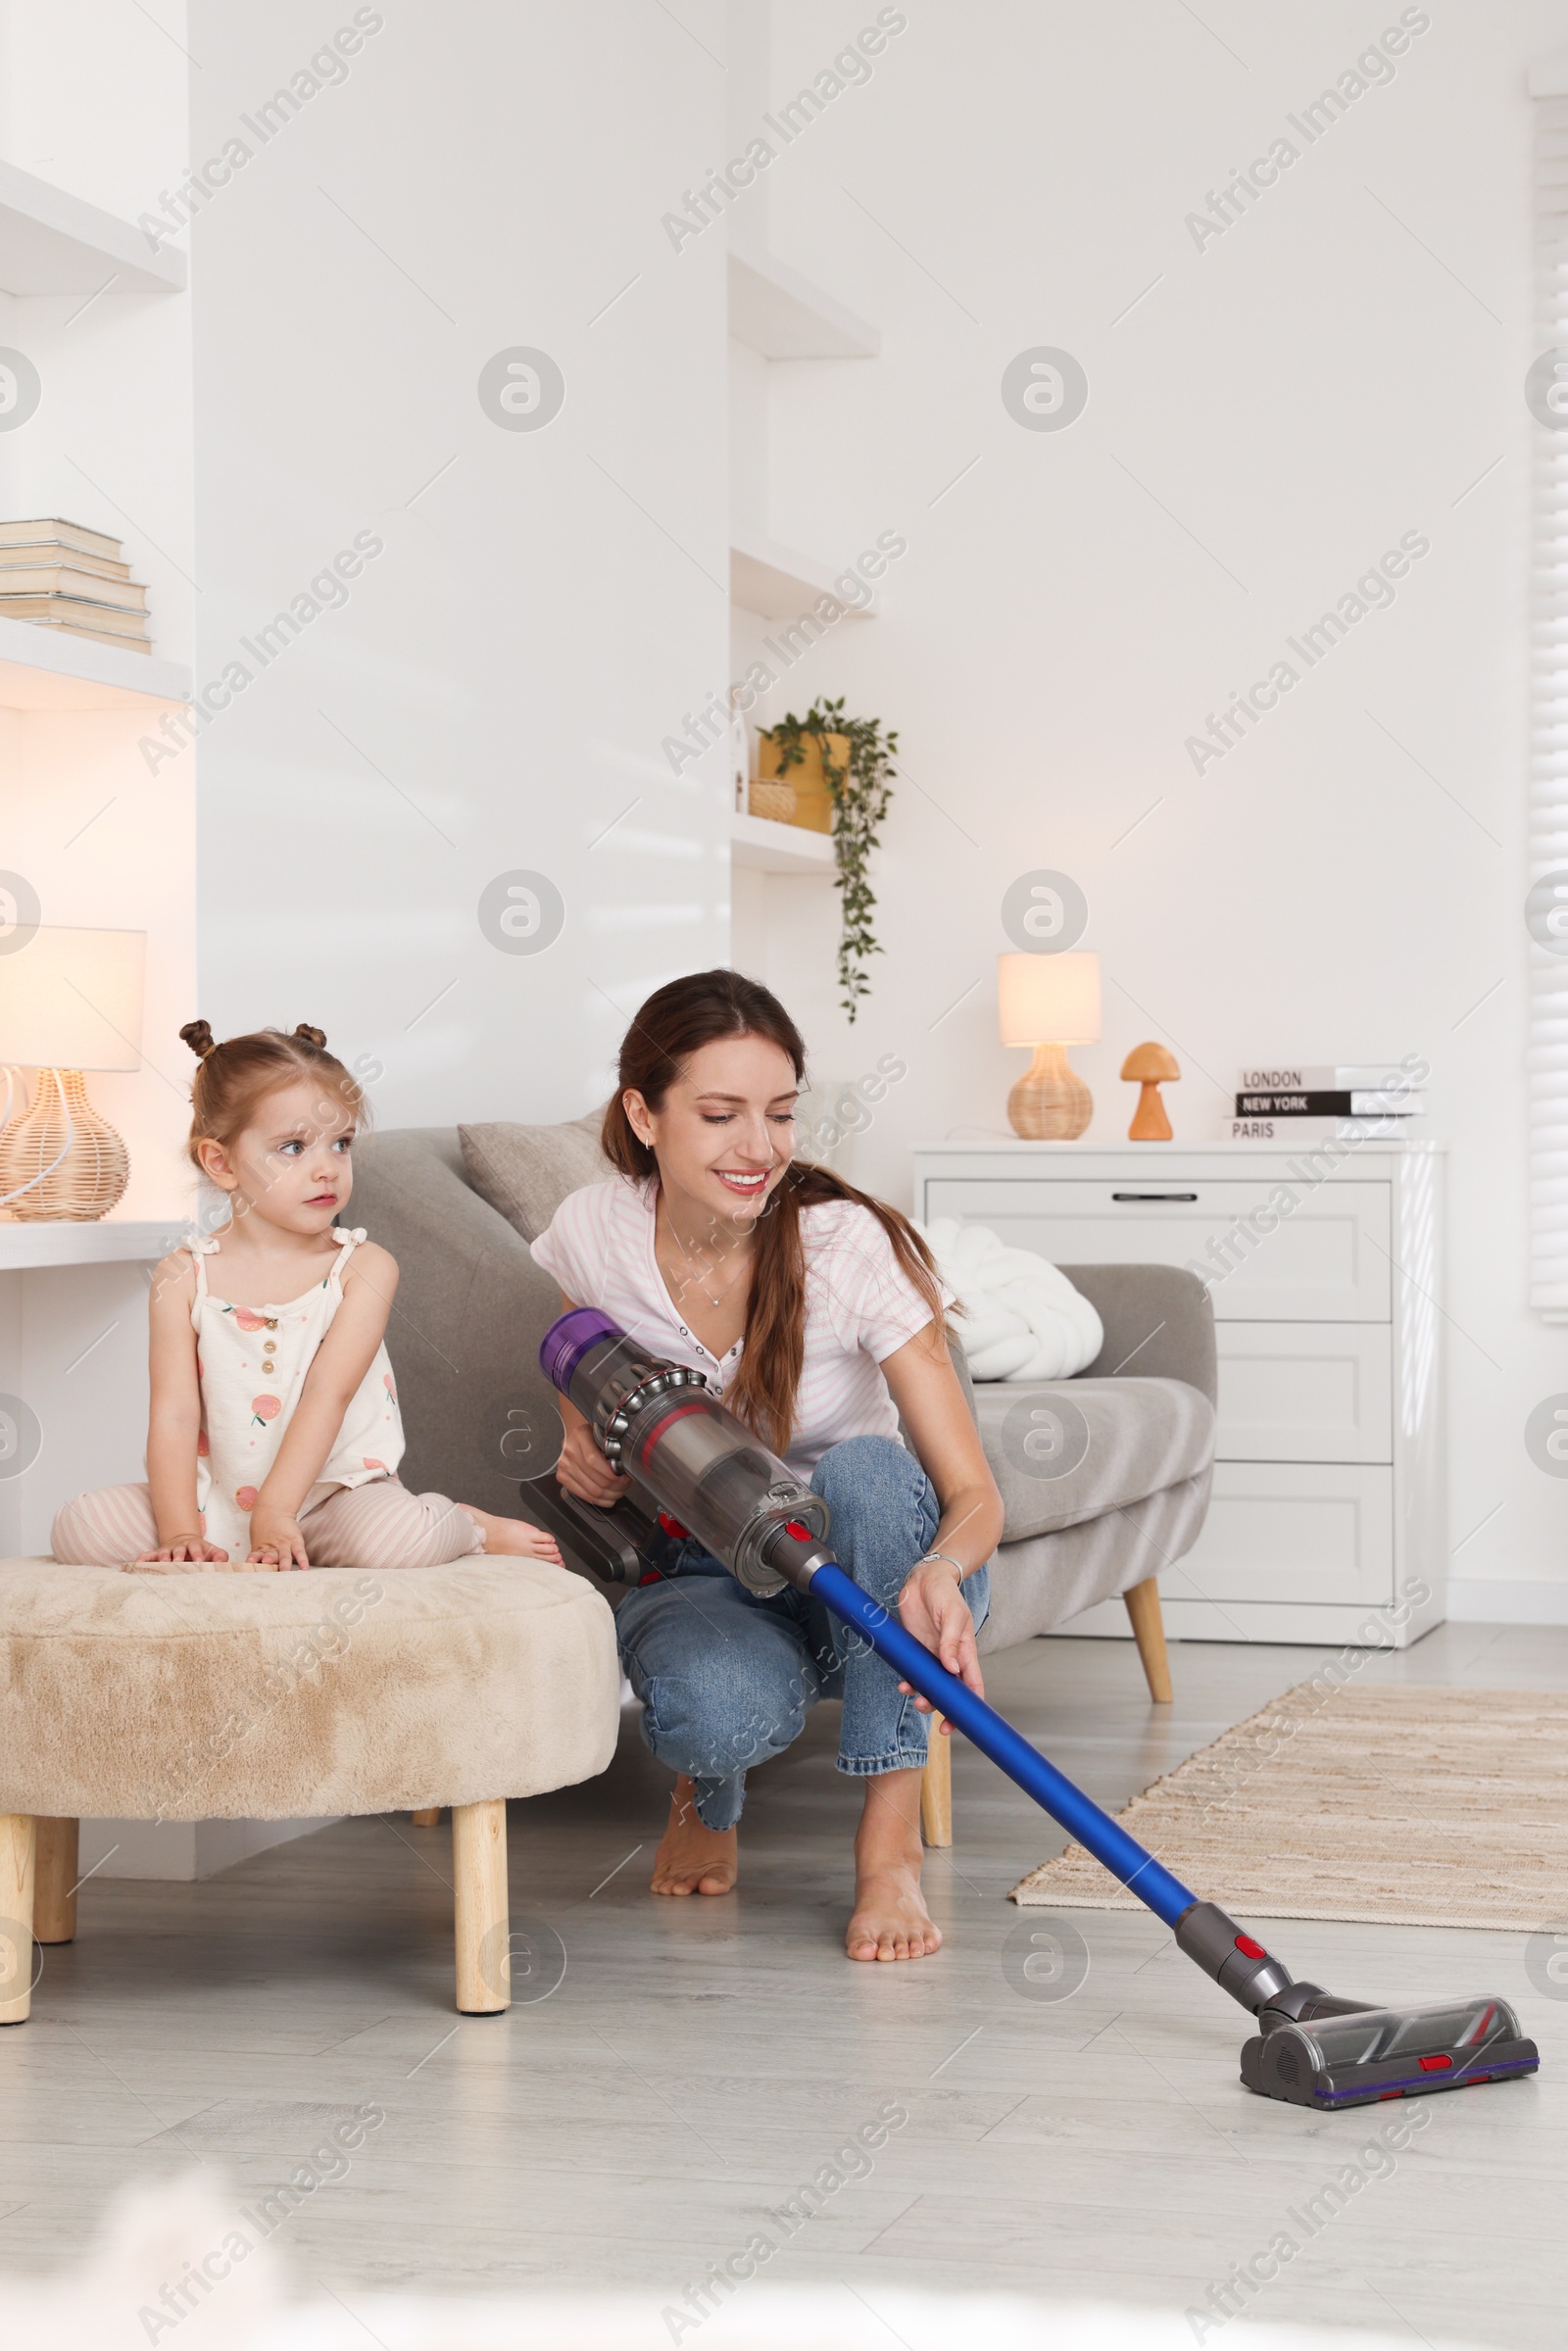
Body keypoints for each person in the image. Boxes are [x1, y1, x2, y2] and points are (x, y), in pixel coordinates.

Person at [530, 970, 1004, 1963]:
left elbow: (969, 1493)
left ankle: (888, 1843)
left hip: (878, 1577)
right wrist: (580, 1431)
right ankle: (708, 1784)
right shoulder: (594, 1228)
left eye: (781, 1113)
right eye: (720, 1113)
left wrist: (938, 1571)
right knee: (709, 1712)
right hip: (713, 1572)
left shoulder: (844, 1245)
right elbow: (579, 1354)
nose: (761, 1146)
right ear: (642, 1115)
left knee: (868, 1470)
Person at [52, 1020, 562, 1577]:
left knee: (392, 1542)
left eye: (340, 1143)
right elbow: (174, 1414)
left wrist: (276, 1510)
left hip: (331, 1498)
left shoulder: (362, 1269)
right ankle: (236, 1545)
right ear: (220, 1163)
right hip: (215, 1500)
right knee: (82, 1527)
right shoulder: (183, 1277)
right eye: (293, 1147)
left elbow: (327, 1394)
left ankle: (469, 1525)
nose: (327, 1167)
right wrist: (181, 1533)